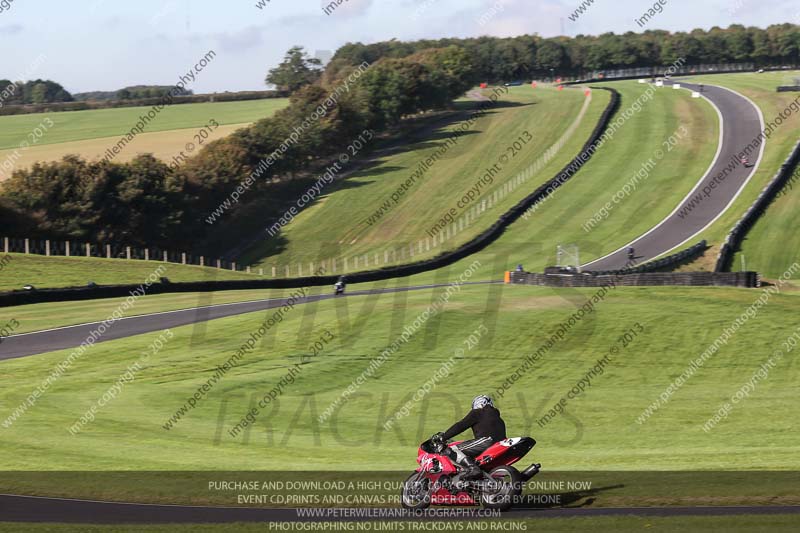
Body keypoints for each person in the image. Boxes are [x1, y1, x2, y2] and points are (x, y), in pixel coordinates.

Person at [432, 395, 506, 479]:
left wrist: (443, 437)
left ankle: (473, 468)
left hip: (487, 441)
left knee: (451, 449)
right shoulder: (498, 418)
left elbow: (461, 425)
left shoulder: (477, 412)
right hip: (501, 444)